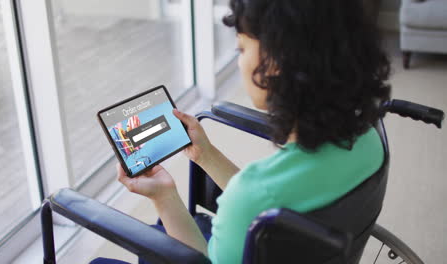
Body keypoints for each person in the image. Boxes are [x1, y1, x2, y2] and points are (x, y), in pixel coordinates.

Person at [94, 0, 391, 263]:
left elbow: (243, 212)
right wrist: (206, 155)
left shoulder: (249, 197)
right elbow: (268, 201)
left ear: (274, 61)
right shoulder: (369, 140)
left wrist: (163, 196)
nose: (238, 60)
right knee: (158, 231)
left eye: (242, 48)